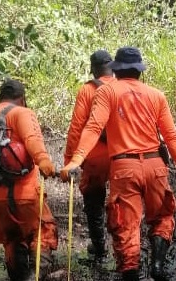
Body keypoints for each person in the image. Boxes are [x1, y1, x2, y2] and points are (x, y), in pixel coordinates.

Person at [59, 46, 176, 281]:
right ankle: (156, 262)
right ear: (139, 71)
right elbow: (172, 136)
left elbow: (92, 127)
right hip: (155, 165)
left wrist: (75, 161)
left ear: (117, 70)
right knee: (163, 216)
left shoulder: (107, 91)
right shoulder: (156, 95)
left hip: (124, 168)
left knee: (126, 229)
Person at [0, 78, 58, 281]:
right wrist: (45, 163)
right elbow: (32, 139)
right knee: (43, 233)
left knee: (11, 240)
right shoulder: (22, 113)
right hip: (25, 194)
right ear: (21, 98)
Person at [63, 50, 116, 261]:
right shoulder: (121, 86)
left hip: (94, 156)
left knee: (94, 200)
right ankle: (123, 246)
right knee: (121, 201)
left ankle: (100, 249)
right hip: (121, 155)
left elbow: (77, 127)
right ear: (111, 67)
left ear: (93, 69)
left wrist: (69, 162)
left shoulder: (87, 90)